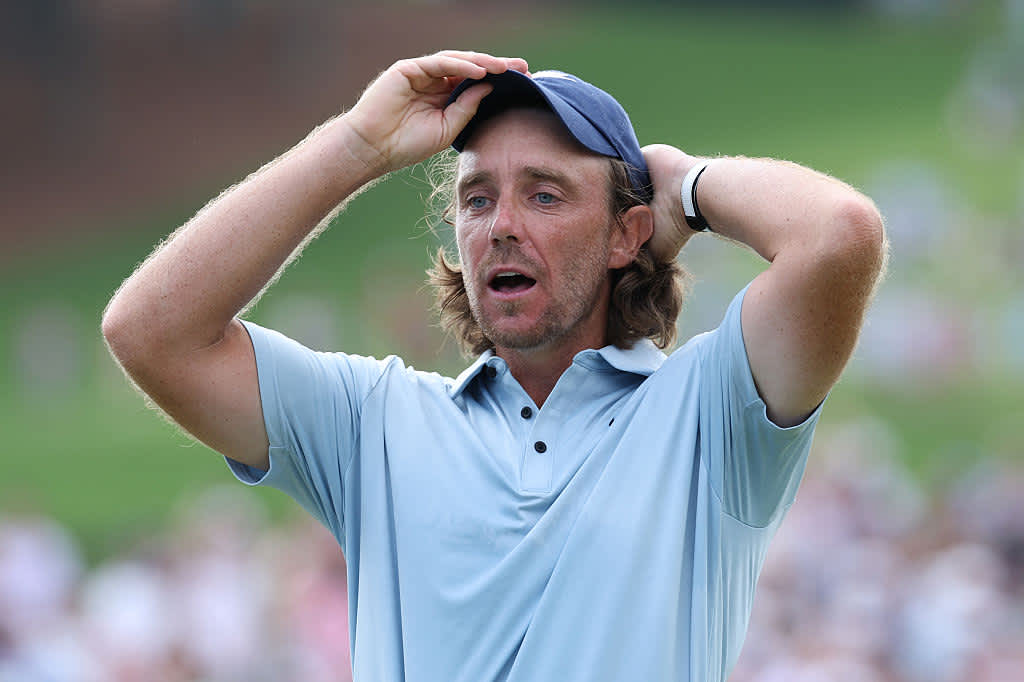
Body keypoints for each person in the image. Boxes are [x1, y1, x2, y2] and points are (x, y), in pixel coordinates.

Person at [102, 51, 887, 681]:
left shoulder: (708, 416)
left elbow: (840, 235)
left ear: (626, 236)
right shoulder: (372, 421)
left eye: (545, 195)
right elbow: (150, 332)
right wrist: (355, 149)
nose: (502, 226)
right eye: (477, 199)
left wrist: (682, 185)